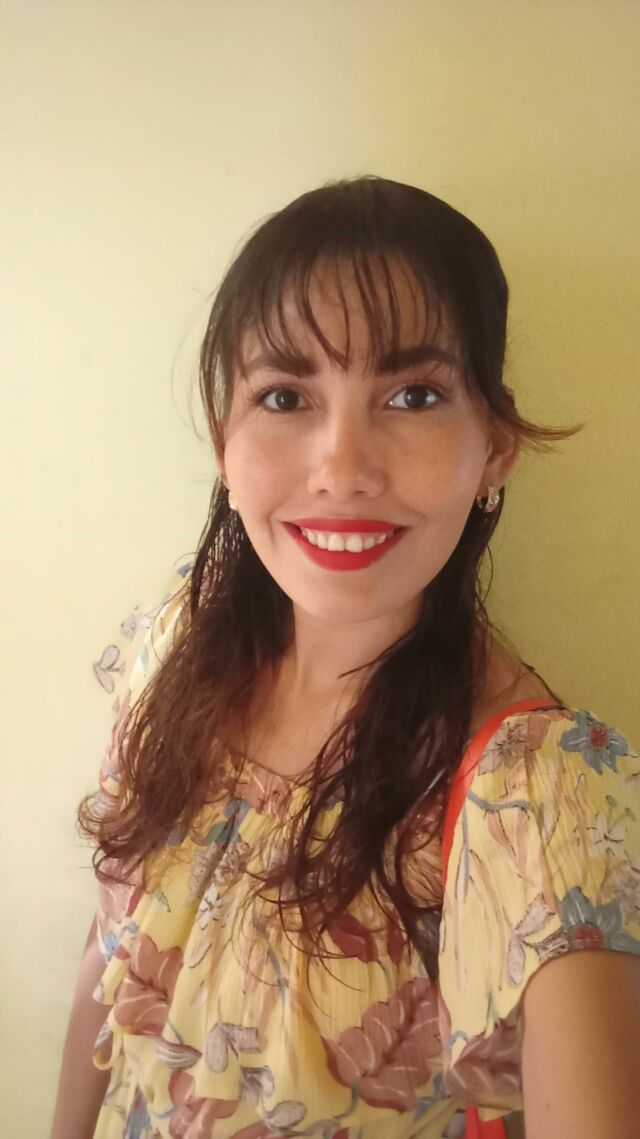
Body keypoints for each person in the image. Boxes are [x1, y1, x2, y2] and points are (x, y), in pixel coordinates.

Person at [50, 177, 640, 1139]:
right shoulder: (177, 645)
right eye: (285, 396)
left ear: (495, 447)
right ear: (225, 440)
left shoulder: (542, 798)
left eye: (413, 395)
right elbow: (109, 958)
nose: (342, 467)